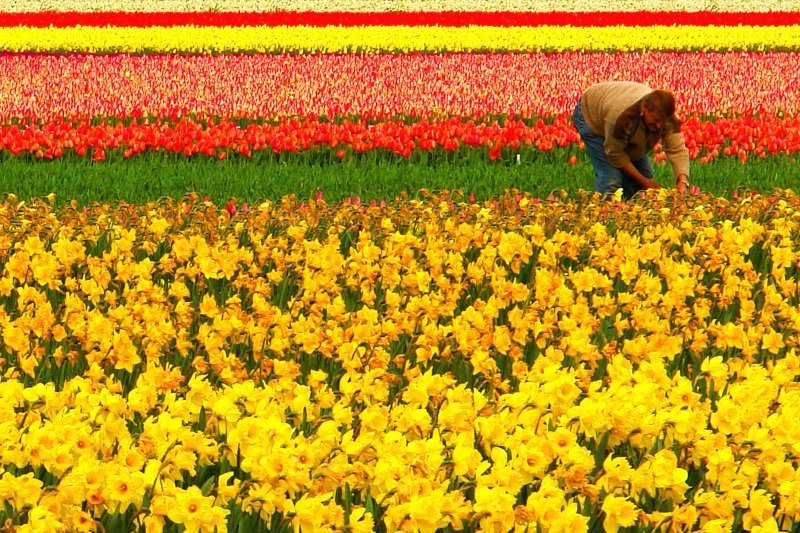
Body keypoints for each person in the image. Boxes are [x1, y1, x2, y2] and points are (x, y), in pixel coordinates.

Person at [572, 81, 690, 199]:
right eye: (655, 120)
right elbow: (615, 153)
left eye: (662, 122)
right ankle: (602, 211)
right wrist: (643, 181)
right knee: (611, 178)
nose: (659, 126)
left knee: (644, 176)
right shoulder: (622, 117)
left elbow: (677, 149)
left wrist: (682, 181)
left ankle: (628, 211)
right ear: (644, 109)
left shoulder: (668, 118)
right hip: (591, 114)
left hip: (615, 109)